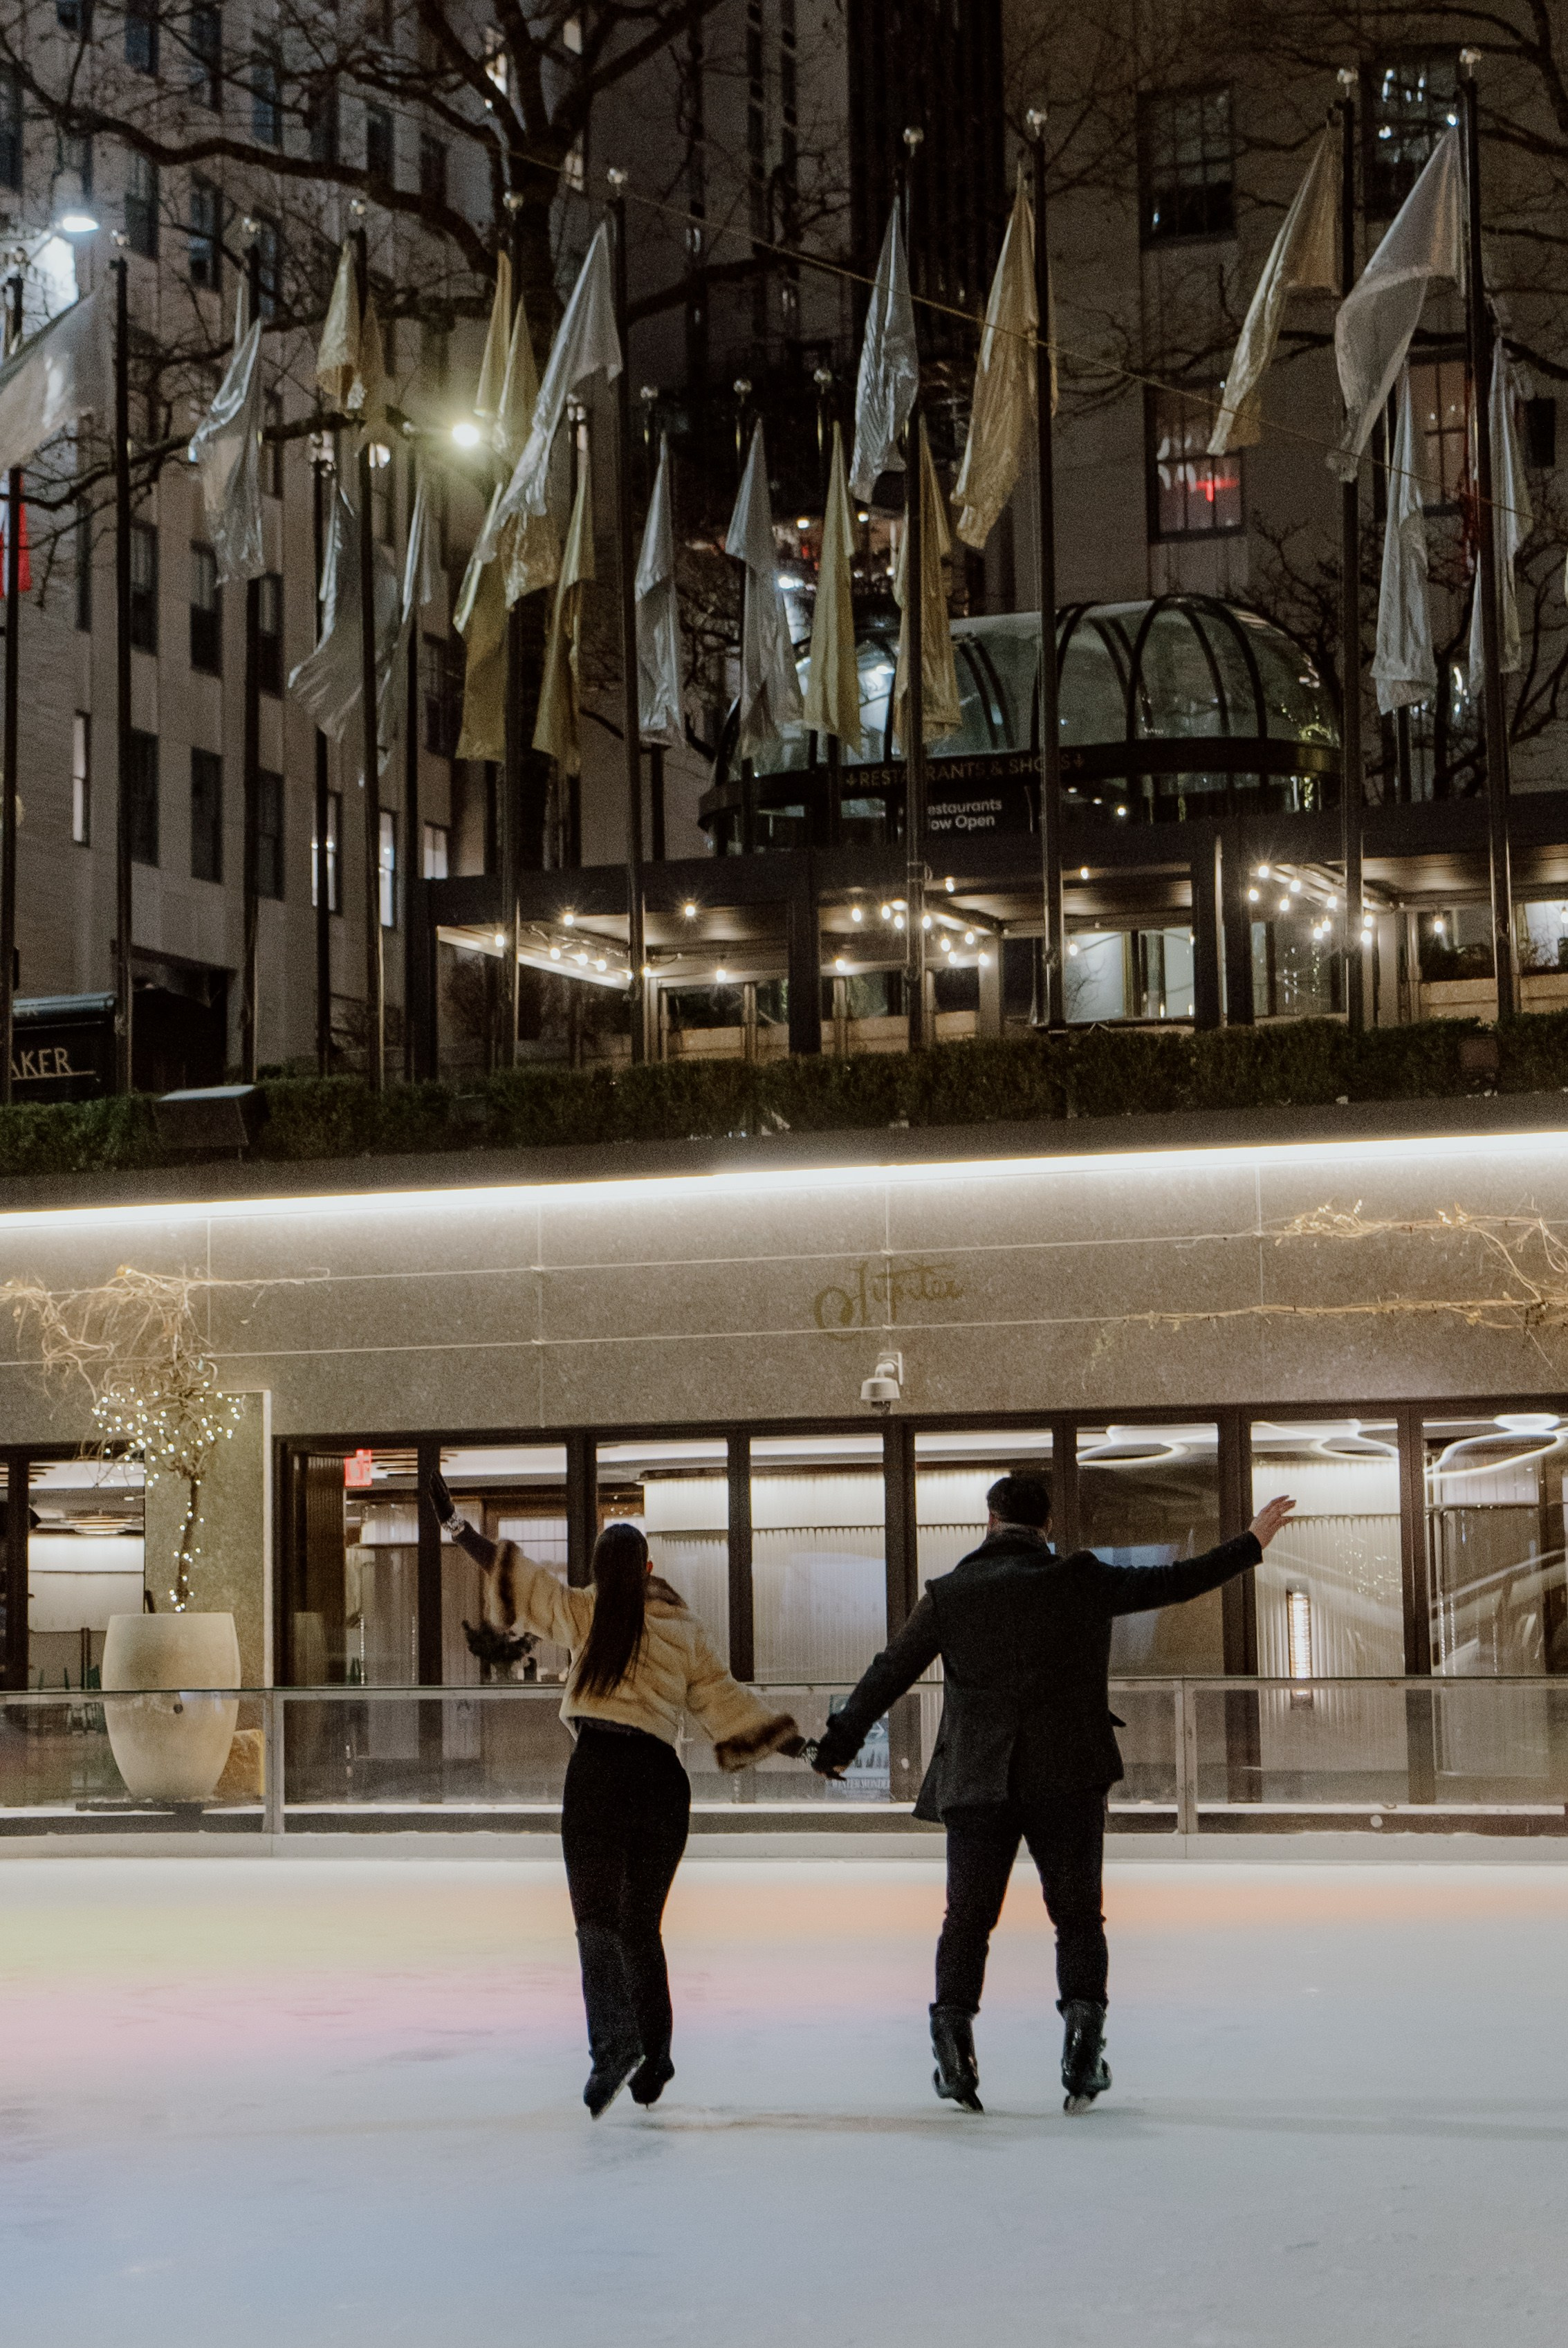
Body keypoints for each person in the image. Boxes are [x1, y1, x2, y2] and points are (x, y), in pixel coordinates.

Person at [811, 1470, 1294, 2116]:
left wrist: (838, 1744)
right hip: (1066, 1776)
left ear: (989, 1519)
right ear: (1046, 1527)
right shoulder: (1079, 1579)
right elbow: (1174, 1584)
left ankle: (954, 2052)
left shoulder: (949, 1595)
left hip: (978, 1779)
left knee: (966, 1920)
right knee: (1076, 1918)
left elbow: (889, 1670)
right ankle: (1081, 2053)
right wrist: (1250, 1543)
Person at [430, 1471, 804, 2116]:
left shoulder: (586, 1611)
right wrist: (798, 1745)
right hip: (661, 1784)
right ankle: (653, 2056)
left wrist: (456, 1527)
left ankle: (615, 2045)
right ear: (651, 1568)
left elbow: (515, 1579)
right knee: (640, 1929)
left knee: (598, 1922)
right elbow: (727, 1703)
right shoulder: (685, 1634)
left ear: (599, 1572)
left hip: (599, 1774)